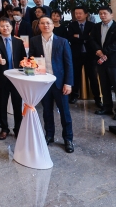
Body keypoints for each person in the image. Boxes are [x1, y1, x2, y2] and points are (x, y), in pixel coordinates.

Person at [29, 17, 74, 152]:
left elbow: (68, 64)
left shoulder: (62, 41)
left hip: (59, 82)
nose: (45, 25)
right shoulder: (34, 41)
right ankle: (49, 135)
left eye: (48, 23)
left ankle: (68, 139)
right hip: (44, 82)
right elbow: (31, 60)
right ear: (39, 26)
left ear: (53, 25)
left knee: (64, 112)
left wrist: (68, 83)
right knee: (46, 111)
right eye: (42, 23)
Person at [90, 6, 116, 121]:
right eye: (100, 13)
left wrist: (104, 52)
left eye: (105, 13)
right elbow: (92, 40)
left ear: (111, 15)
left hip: (114, 62)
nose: (102, 15)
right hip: (101, 61)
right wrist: (98, 51)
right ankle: (107, 107)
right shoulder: (96, 27)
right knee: (104, 86)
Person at [0, 18, 25, 139]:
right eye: (2, 26)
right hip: (2, 77)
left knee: (17, 105)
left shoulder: (19, 42)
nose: (5, 28)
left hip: (16, 78)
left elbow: (23, 58)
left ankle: (18, 128)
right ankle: (4, 128)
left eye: (7, 26)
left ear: (11, 27)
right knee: (2, 104)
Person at [66, 7, 100, 106]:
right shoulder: (72, 25)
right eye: (76, 13)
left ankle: (97, 99)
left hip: (90, 55)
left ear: (86, 14)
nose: (78, 15)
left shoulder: (92, 25)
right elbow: (70, 38)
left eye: (80, 13)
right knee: (75, 76)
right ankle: (74, 96)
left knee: (92, 77)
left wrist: (79, 36)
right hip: (76, 54)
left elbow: (92, 38)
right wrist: (85, 37)